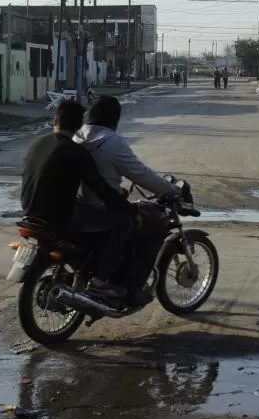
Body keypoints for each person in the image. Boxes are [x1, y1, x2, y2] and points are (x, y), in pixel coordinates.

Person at [21, 99, 138, 299]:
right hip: (61, 217)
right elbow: (101, 189)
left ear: (54, 120)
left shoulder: (38, 143)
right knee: (123, 222)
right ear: (79, 126)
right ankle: (100, 283)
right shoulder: (76, 151)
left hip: (28, 212)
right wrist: (129, 209)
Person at [74, 96, 180, 298]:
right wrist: (170, 189)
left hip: (78, 205)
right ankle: (130, 286)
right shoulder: (112, 141)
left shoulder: (78, 135)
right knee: (154, 224)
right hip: (101, 207)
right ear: (115, 118)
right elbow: (140, 174)